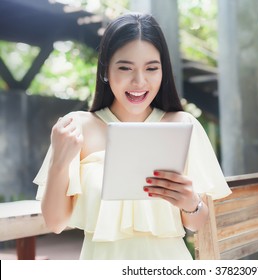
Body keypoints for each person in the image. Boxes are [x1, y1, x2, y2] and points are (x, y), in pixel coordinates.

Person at [33, 13, 231, 260]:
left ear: (163, 72)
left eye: (151, 68)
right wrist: (60, 163)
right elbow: (55, 222)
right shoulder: (76, 128)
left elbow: (196, 223)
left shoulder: (182, 125)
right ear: (105, 70)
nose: (139, 81)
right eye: (125, 68)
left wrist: (191, 202)